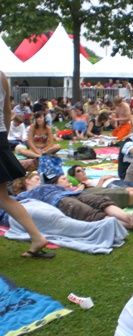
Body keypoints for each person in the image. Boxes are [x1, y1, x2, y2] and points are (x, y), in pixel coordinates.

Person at [0, 70, 54, 259]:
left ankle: (37, 237)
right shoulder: (2, 76)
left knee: (3, 198)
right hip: (0, 136)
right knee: (3, 198)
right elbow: (8, 111)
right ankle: (37, 237)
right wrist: (4, 136)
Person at [15, 173, 133, 233]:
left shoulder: (46, 186)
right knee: (90, 213)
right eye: (36, 179)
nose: (39, 181)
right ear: (26, 181)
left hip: (72, 194)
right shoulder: (23, 196)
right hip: (58, 201)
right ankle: (130, 225)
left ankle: (129, 218)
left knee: (102, 202)